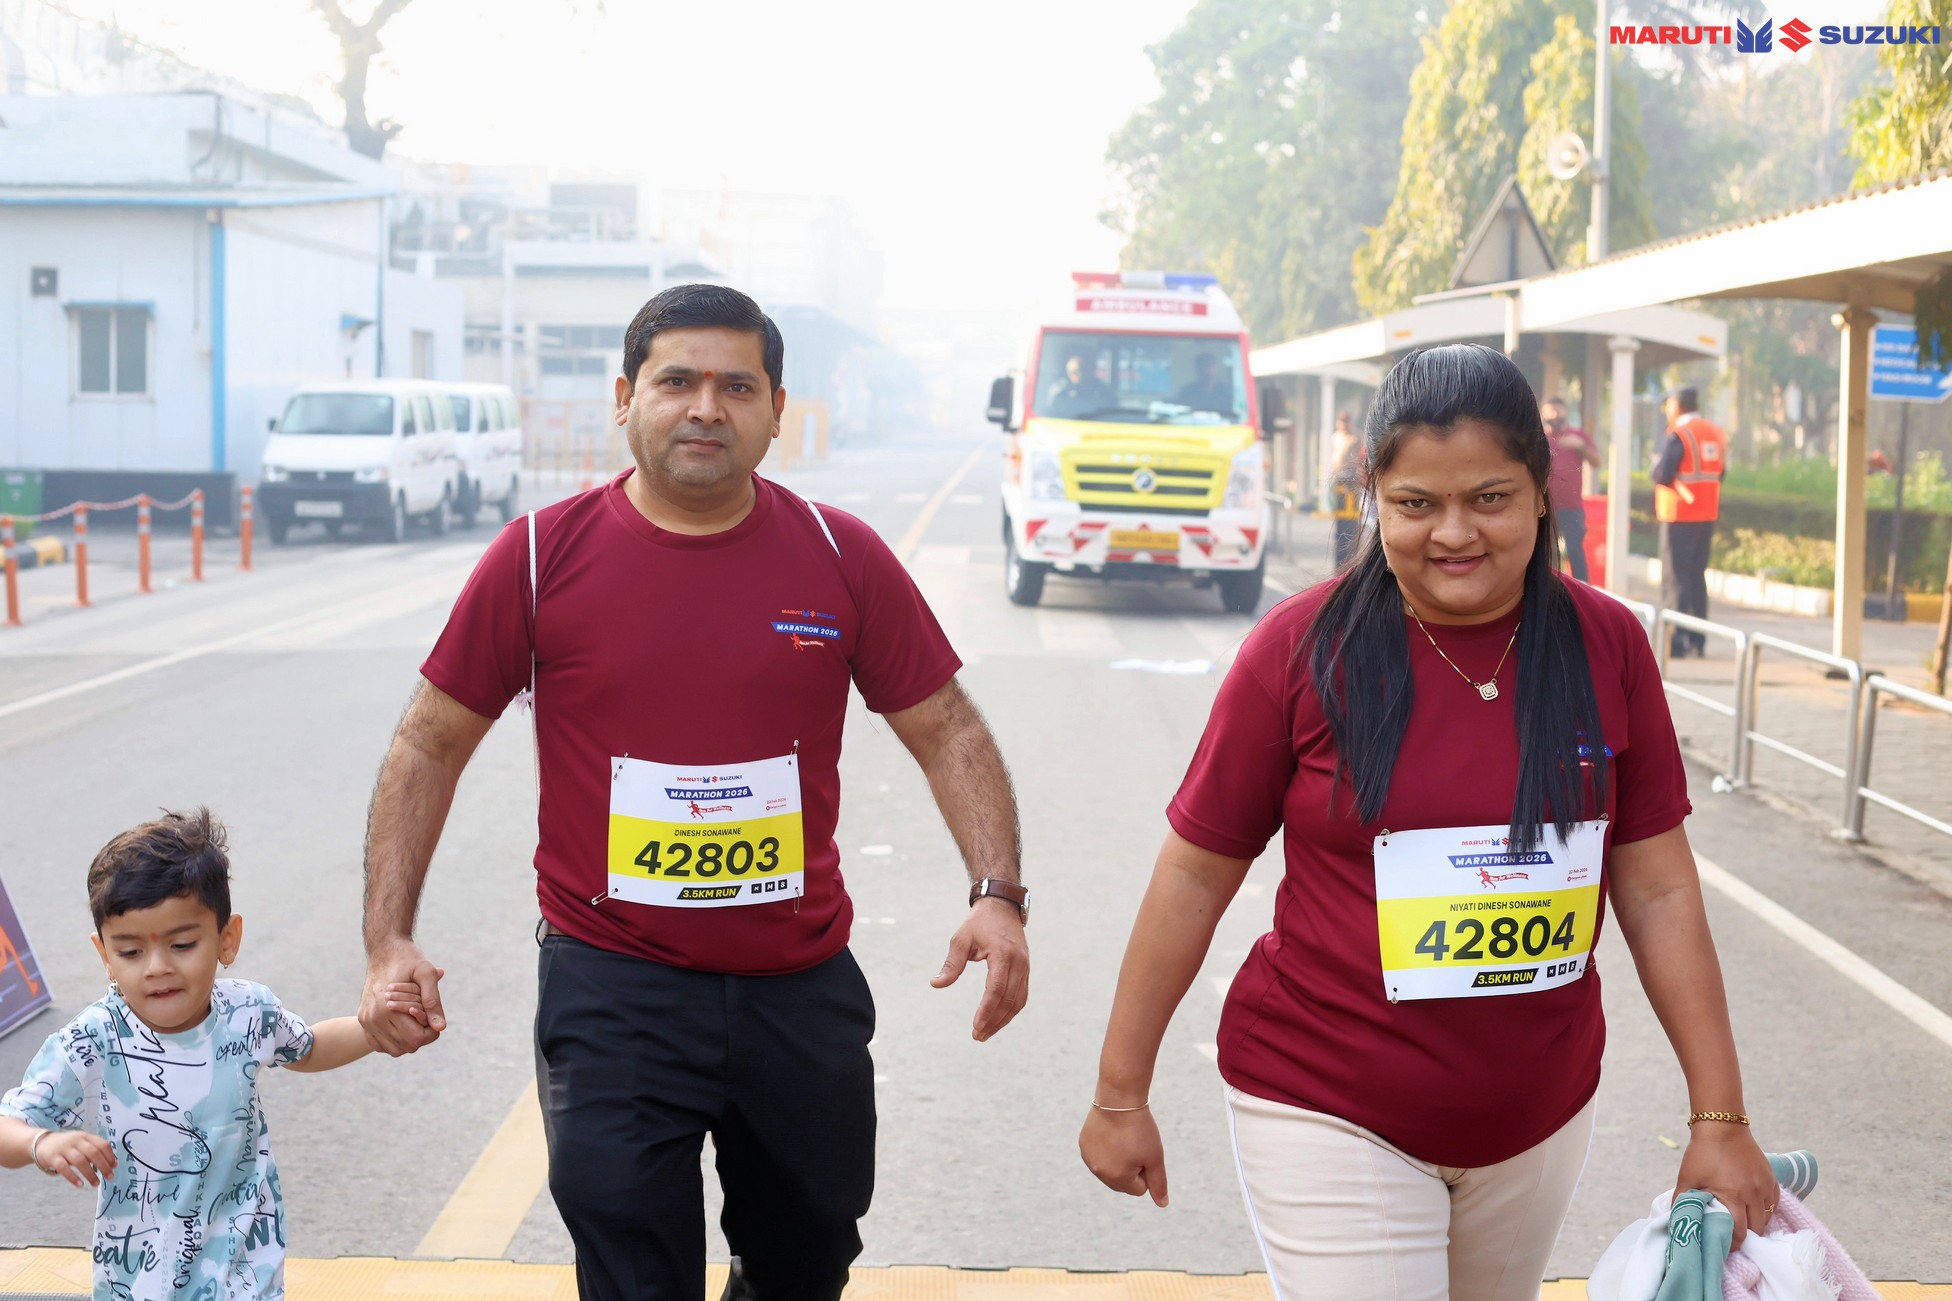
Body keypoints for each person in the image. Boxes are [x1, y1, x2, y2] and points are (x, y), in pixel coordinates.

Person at [359, 283, 1030, 1301]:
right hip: (612, 990)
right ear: (625, 397)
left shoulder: (840, 554)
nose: (705, 407)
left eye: (736, 387)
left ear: (775, 408)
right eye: (676, 381)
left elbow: (948, 727)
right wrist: (388, 940)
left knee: (807, 1259)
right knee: (634, 1272)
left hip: (797, 987)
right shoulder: (537, 557)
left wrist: (996, 891)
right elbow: (427, 741)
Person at [1078, 345, 1773, 1301]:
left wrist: (1719, 1116)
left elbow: (1656, 889)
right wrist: (1121, 1091)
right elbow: (1194, 873)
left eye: (1490, 498)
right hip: (1325, 1098)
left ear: (1543, 491)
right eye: (1415, 503)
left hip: (1537, 1113)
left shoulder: (1607, 644)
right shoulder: (1300, 648)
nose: (1454, 532)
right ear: (1372, 493)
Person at [0, 808, 393, 1301]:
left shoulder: (247, 1011)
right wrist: (41, 1143)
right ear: (104, 955)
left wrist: (375, 1030)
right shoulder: (94, 1038)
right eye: (130, 952)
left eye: (182, 944)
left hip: (246, 1276)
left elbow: (308, 1047)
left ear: (227, 940)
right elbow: (8, 1127)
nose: (157, 967)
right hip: (139, 1284)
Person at [1653, 386, 1726, 658]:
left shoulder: (1680, 434)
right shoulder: (1715, 432)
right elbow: (1721, 473)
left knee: (1675, 578)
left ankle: (1676, 641)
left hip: (1680, 515)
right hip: (1706, 515)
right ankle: (1698, 640)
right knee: (1696, 577)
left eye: (1668, 404)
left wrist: (1655, 465)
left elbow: (1662, 474)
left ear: (1677, 405)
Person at [1542, 395, 1601, 582]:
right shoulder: (1539, 438)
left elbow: (1597, 461)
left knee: (1575, 550)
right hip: (1545, 507)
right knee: (1547, 552)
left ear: (1565, 411)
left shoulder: (1577, 436)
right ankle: (1549, 589)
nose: (1554, 414)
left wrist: (1580, 446)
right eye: (1550, 411)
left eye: (1557, 410)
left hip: (1572, 507)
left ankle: (1581, 588)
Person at [1328, 410, 1363, 569]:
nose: (1344, 424)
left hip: (1352, 483)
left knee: (1351, 524)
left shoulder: (1356, 437)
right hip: (1339, 482)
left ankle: (1350, 560)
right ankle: (1339, 561)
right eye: (1341, 421)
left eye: (1346, 421)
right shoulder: (1335, 438)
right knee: (1341, 523)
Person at [1044, 350, 1116, 418]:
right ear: (1067, 371)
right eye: (1074, 372)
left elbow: (1111, 413)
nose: (1080, 374)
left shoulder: (1102, 391)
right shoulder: (1059, 390)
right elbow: (1050, 414)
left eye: (1083, 369)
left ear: (1091, 369)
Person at [1173, 353, 1237, 418]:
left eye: (1210, 365)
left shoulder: (1224, 392)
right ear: (1197, 369)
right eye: (1203, 366)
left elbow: (1231, 416)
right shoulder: (1187, 392)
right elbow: (1181, 415)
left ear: (1216, 368)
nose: (1207, 370)